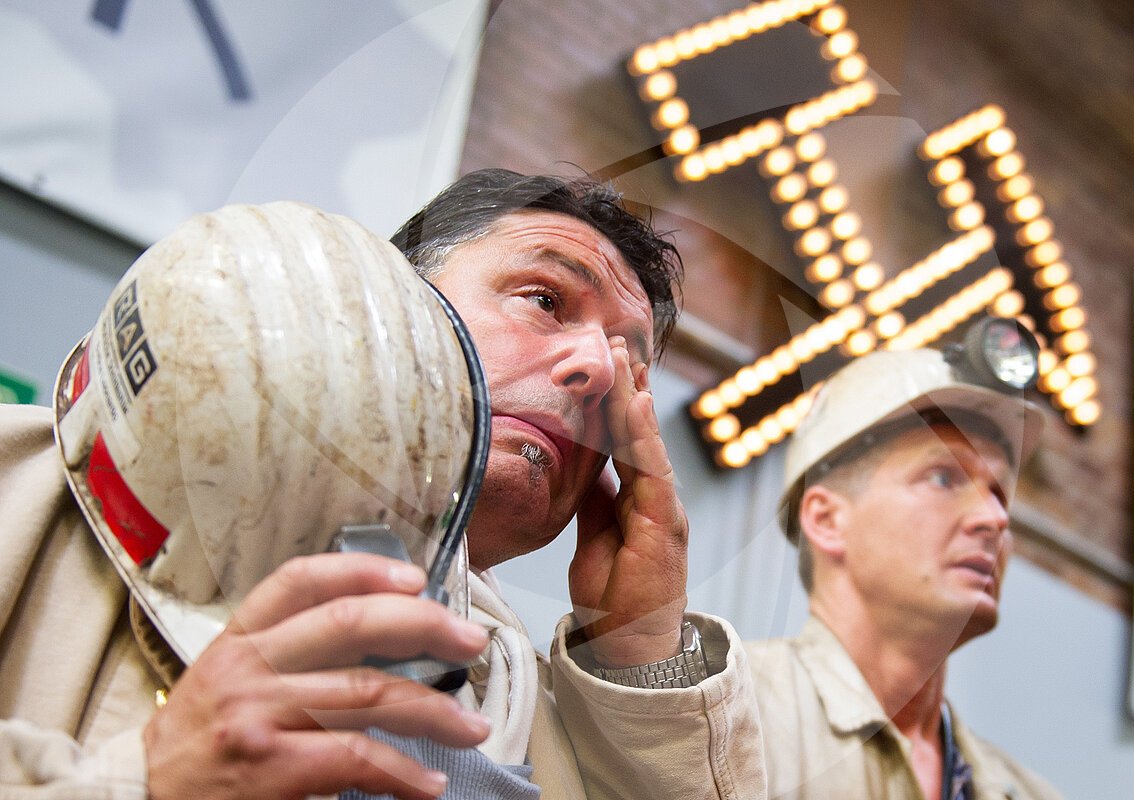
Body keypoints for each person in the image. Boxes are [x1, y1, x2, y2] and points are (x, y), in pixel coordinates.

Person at [0, 171, 764, 799]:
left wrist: (642, 657)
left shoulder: (564, 731)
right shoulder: (20, 487)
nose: (597, 370)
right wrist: (146, 783)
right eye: (544, 299)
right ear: (395, 295)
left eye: (630, 360)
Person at [746, 329, 1063, 800]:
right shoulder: (718, 717)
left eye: (1000, 494)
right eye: (943, 478)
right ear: (827, 520)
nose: (995, 519)